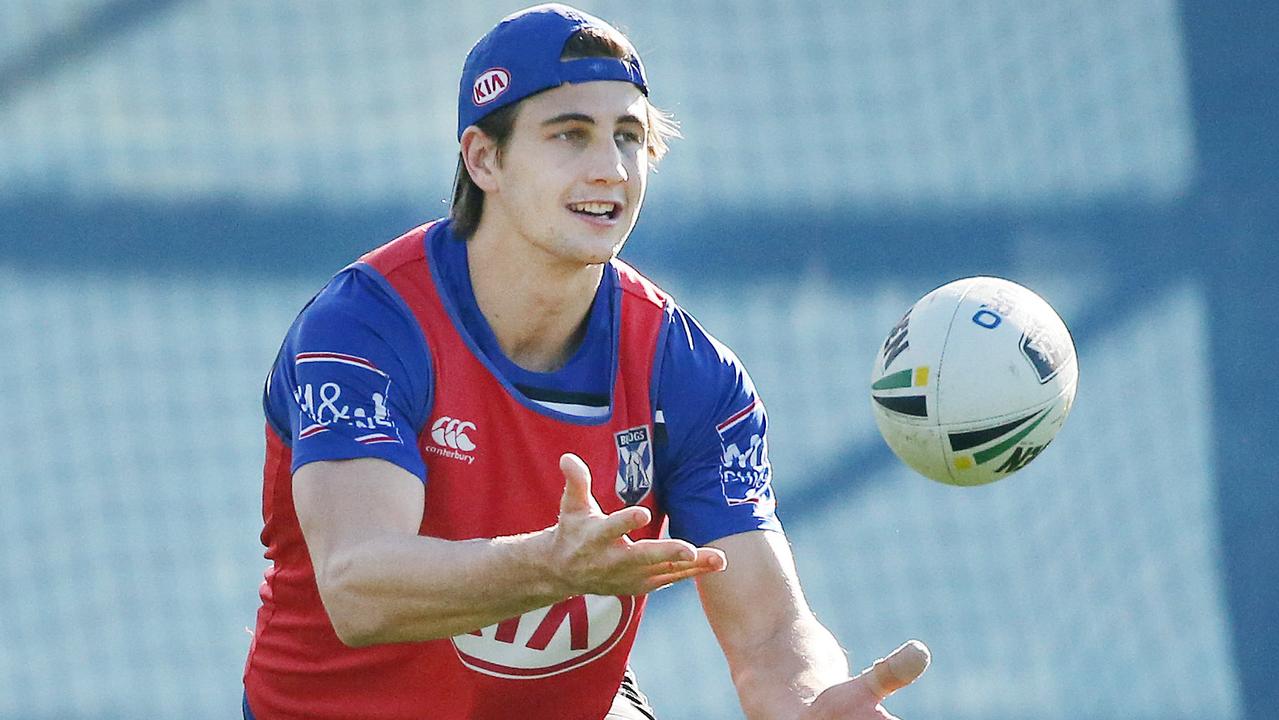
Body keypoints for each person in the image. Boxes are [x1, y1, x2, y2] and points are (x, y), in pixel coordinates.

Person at [241, 4, 930, 719]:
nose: (609, 169)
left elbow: (767, 634)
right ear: (483, 159)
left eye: (627, 136)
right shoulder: (366, 329)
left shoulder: (690, 375)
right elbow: (358, 588)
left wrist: (811, 701)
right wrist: (549, 565)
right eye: (569, 134)